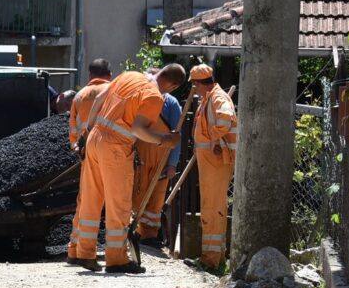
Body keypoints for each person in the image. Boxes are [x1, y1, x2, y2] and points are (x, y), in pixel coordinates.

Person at [71, 64, 186, 274]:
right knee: (119, 204)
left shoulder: (130, 75)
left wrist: (86, 132)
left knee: (91, 197)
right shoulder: (153, 97)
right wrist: (165, 140)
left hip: (95, 137)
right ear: (173, 85)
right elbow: (138, 129)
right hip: (116, 146)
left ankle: (84, 253)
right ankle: (116, 260)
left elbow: (98, 101)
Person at [187, 64, 236, 271]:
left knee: (212, 207)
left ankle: (211, 259)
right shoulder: (211, 98)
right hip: (211, 162)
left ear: (198, 83)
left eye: (194, 85)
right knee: (213, 206)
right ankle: (216, 255)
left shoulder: (217, 98)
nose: (194, 89)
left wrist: (211, 138)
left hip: (216, 162)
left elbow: (225, 120)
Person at [65, 59, 112, 259]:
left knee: (85, 202)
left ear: (90, 75)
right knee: (114, 203)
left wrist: (77, 148)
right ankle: (116, 251)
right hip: (111, 152)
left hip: (87, 154)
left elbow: (73, 129)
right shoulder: (114, 91)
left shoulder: (80, 95)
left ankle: (76, 249)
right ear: (108, 74)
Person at [131, 87, 182, 246]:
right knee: (136, 194)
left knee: (156, 198)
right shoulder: (141, 99)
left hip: (162, 159)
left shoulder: (171, 103)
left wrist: (172, 164)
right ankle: (133, 230)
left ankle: (149, 234)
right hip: (140, 157)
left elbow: (176, 136)